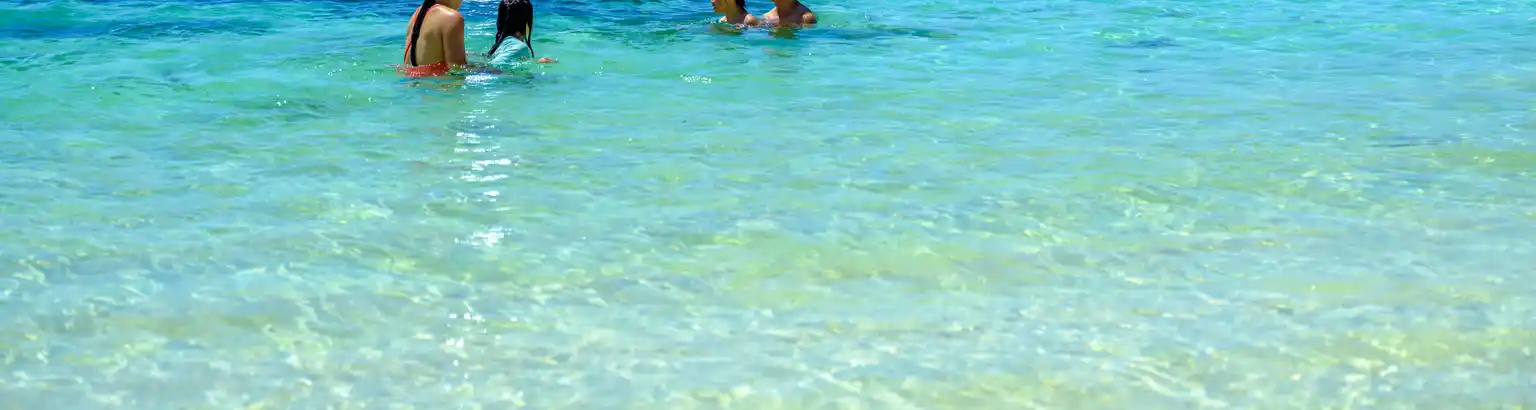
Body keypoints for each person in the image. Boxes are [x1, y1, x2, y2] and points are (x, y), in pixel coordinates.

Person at [401, 0, 467, 77]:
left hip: (411, 83)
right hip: (433, 86)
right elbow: (457, 69)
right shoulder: (452, 17)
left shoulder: (418, 12)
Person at [488, 0, 556, 64]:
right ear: (526, 22)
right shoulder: (520, 47)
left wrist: (536, 62)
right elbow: (494, 66)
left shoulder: (499, 45)